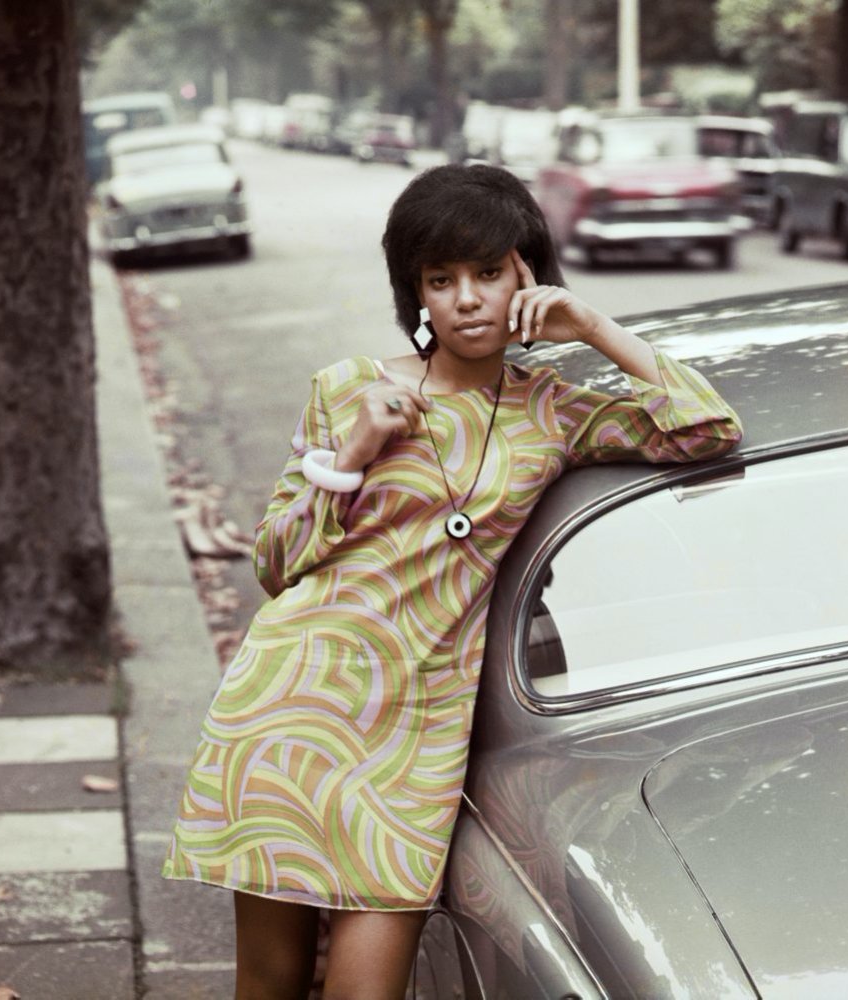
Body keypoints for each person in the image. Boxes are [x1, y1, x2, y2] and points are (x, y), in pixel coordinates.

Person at [162, 163, 743, 999]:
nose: (466, 298)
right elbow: (275, 563)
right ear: (418, 296)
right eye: (441, 280)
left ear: (527, 275)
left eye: (487, 272)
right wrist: (349, 457)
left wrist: (593, 325)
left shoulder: (554, 410)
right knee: (271, 982)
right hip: (290, 713)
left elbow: (708, 428)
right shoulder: (347, 392)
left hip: (413, 738)